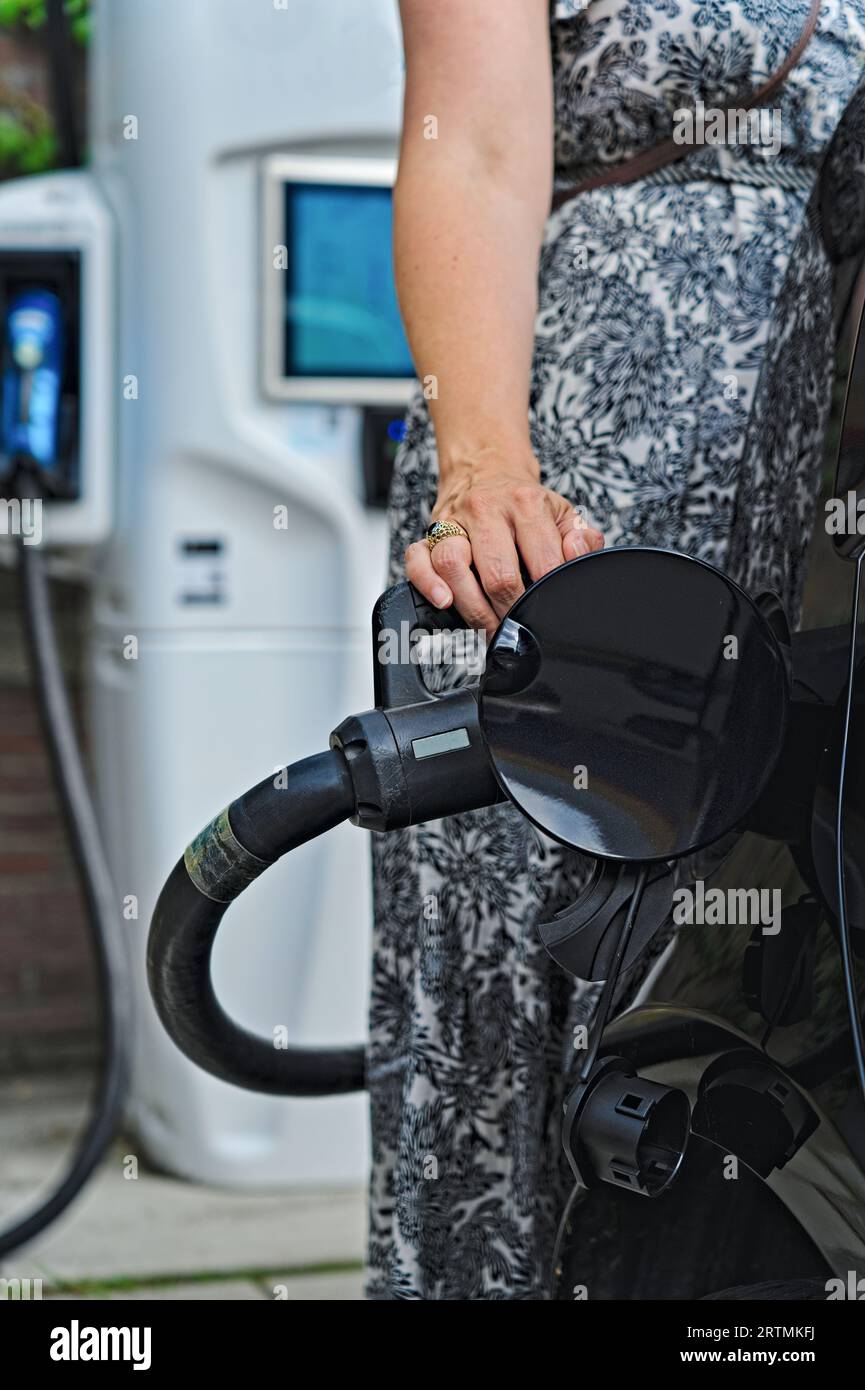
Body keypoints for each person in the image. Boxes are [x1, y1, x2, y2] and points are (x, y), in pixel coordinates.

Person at [367, 0, 865, 1300]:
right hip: (576, 498)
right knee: (527, 978)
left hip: (812, 504)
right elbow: (468, 140)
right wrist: (484, 472)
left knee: (754, 979)